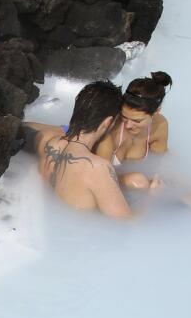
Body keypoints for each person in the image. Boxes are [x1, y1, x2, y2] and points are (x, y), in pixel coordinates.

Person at [30, 80, 139, 219]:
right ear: (108, 122)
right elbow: (128, 224)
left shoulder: (49, 143)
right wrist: (153, 196)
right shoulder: (97, 168)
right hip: (82, 236)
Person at [95, 71, 172, 189]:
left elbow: (159, 163)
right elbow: (101, 175)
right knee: (137, 181)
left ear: (156, 112)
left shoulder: (160, 125)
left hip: (139, 187)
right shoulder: (111, 127)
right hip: (105, 182)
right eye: (124, 117)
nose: (128, 125)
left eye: (137, 121)